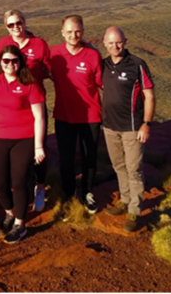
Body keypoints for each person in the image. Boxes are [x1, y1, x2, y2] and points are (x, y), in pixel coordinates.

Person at [0, 45, 46, 243]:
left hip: (23, 138)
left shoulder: (30, 84)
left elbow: (39, 116)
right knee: (0, 183)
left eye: (14, 60)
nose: (10, 64)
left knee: (18, 181)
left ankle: (20, 224)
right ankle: (9, 212)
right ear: (0, 62)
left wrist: (38, 146)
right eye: (6, 61)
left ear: (20, 62)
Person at [101, 27, 155, 233]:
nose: (115, 46)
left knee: (134, 169)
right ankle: (124, 200)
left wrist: (146, 124)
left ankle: (135, 210)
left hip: (132, 128)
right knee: (118, 165)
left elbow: (149, 96)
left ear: (125, 41)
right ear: (104, 43)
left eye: (119, 42)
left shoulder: (137, 64)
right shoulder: (103, 64)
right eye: (111, 43)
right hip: (109, 126)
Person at [0, 10, 51, 212]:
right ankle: (21, 186)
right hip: (11, 104)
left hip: (34, 101)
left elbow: (47, 69)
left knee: (39, 147)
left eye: (18, 23)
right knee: (17, 148)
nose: (15, 27)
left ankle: (40, 187)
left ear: (24, 22)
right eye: (10, 25)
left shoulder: (39, 44)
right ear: (6, 27)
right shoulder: (2, 44)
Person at [50, 15, 103, 214]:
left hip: (90, 115)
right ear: (62, 32)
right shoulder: (54, 53)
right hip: (64, 115)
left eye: (77, 31)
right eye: (70, 31)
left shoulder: (92, 55)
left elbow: (102, 83)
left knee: (89, 157)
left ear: (83, 31)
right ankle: (69, 193)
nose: (74, 35)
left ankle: (87, 192)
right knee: (66, 158)